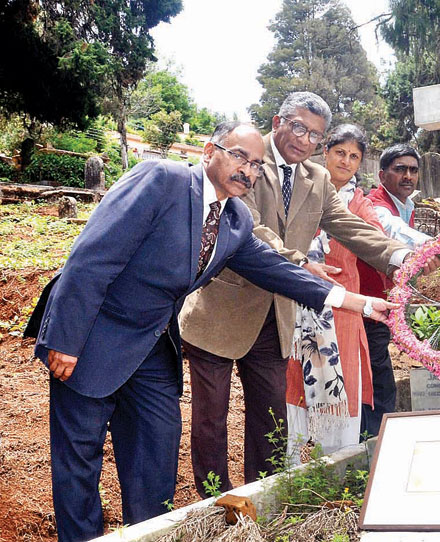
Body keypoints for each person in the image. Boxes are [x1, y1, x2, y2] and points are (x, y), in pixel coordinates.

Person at [26, 121, 395, 542]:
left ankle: (148, 534)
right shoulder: (161, 180)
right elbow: (91, 258)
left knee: (156, 452)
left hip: (151, 347)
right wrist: (66, 340)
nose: (248, 170)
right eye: (239, 156)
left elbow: (278, 271)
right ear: (209, 151)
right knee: (80, 458)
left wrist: (360, 303)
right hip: (92, 335)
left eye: (256, 165)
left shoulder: (235, 219)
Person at [178, 93, 433, 494]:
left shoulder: (317, 179)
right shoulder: (246, 159)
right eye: (298, 127)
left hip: (277, 317)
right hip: (222, 310)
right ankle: (214, 503)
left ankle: (262, 497)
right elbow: (248, 228)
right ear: (278, 121)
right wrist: (299, 263)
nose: (304, 139)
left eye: (315, 135)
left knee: (270, 414)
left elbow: (349, 225)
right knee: (211, 417)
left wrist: (399, 255)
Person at [284, 124, 384, 458]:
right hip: (298, 304)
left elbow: (377, 238)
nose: (346, 161)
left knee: (344, 385)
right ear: (324, 152)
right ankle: (292, 467)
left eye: (354, 156)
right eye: (340, 152)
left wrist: (408, 253)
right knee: (295, 383)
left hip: (344, 309)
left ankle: (337, 465)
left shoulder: (361, 204)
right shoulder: (300, 189)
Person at [358, 143, 432, 437]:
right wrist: (436, 244)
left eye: (413, 170)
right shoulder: (375, 203)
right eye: (399, 169)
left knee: (377, 372)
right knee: (378, 377)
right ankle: (373, 442)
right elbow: (390, 230)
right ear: (382, 175)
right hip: (364, 302)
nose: (408, 176)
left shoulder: (408, 205)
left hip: (383, 303)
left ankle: (373, 438)